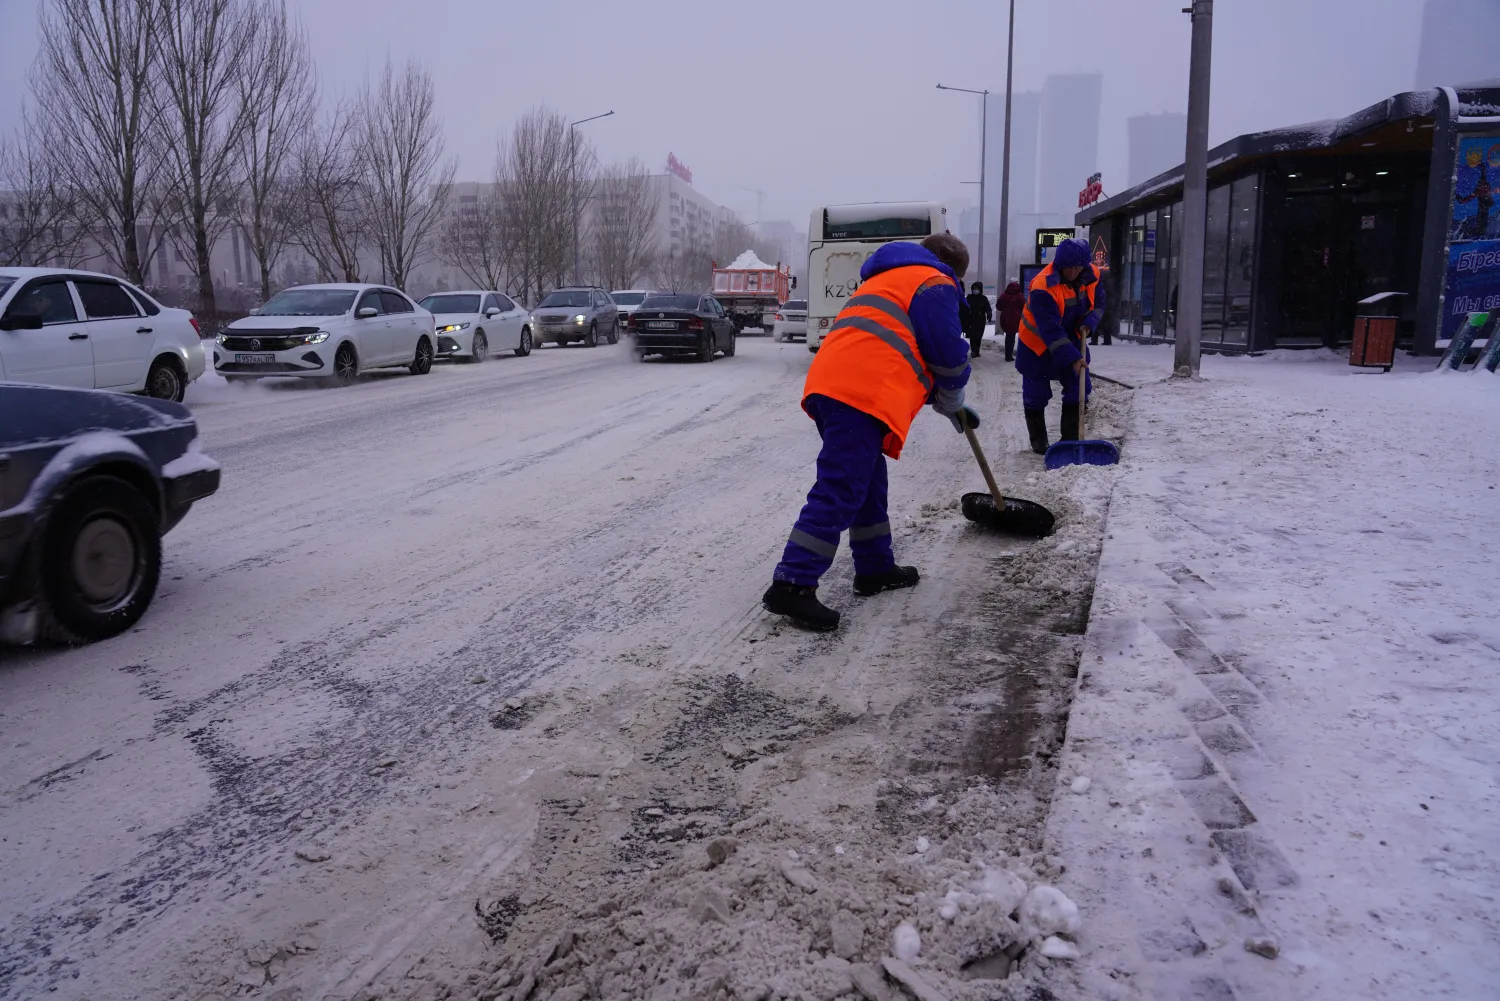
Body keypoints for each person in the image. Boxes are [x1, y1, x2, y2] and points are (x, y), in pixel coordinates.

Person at [763, 233, 978, 631]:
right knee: (843, 484)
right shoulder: (932, 281)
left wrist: (949, 402)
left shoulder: (887, 277)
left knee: (867, 481)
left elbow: (895, 344)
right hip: (860, 393)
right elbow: (946, 351)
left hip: (837, 386)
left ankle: (875, 568)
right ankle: (792, 584)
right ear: (954, 270)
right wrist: (953, 392)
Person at [1014, 238, 1105, 455]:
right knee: (1036, 394)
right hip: (1036, 345)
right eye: (1068, 267)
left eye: (1077, 267)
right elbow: (1050, 330)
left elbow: (1100, 305)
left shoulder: (1093, 276)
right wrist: (1073, 359)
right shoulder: (1042, 286)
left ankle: (1069, 443)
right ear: (1059, 264)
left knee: (1080, 386)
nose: (1073, 272)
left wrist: (1089, 323)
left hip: (1072, 337)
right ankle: (1039, 443)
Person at [1087, 248, 1112, 346]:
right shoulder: (1108, 281)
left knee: (1097, 321)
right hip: (1108, 303)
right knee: (1106, 322)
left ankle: (1095, 340)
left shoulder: (1098, 282)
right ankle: (1106, 340)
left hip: (1102, 303)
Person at [997, 280, 1026, 363]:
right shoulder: (1019, 296)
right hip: (1016, 319)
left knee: (1008, 336)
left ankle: (1007, 355)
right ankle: (1009, 355)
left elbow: (998, 306)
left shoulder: (1004, 296)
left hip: (1005, 319)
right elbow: (1025, 306)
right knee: (1012, 337)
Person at [962, 281, 992, 358]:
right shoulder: (969, 298)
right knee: (972, 336)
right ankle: (973, 351)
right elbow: (964, 308)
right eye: (974, 289)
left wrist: (989, 314)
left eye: (977, 289)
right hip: (971, 320)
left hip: (980, 320)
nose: (975, 290)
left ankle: (977, 351)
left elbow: (988, 308)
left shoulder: (983, 298)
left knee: (978, 336)